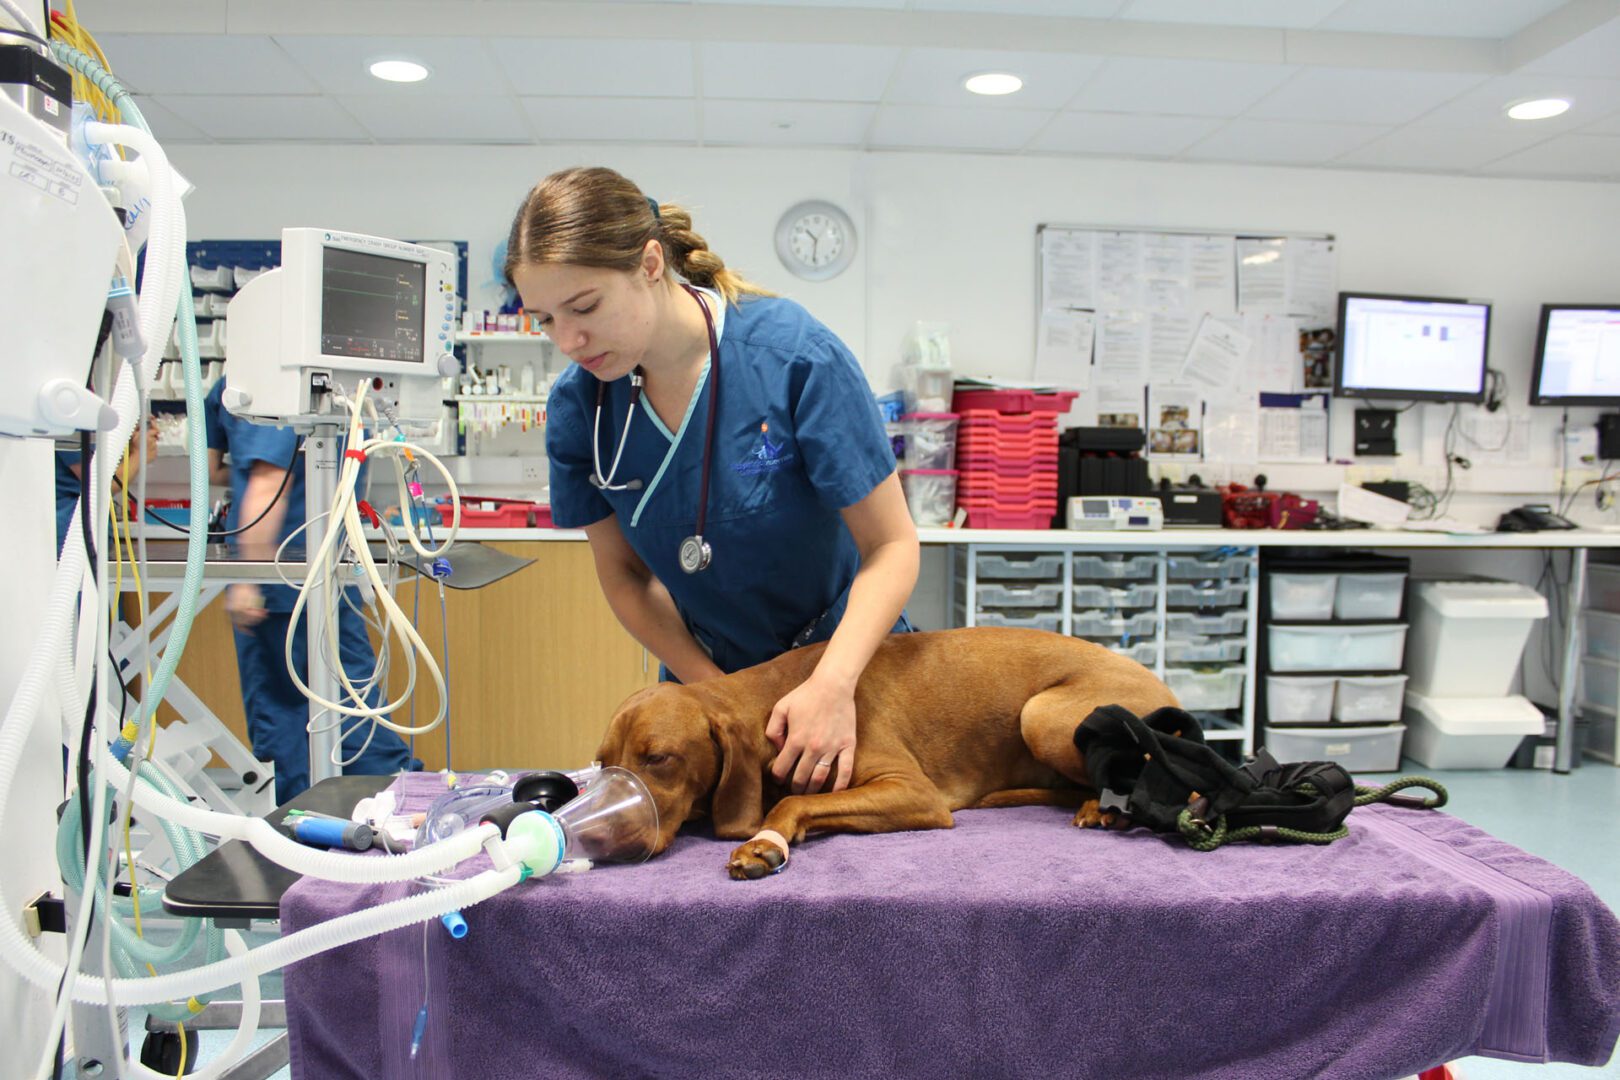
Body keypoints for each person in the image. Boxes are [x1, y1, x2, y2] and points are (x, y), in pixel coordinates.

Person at [507, 166, 920, 798]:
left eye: (585, 307)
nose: (568, 340)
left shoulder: (794, 358)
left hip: (850, 675)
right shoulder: (581, 407)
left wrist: (832, 684)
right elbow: (624, 576)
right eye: (543, 320)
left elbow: (892, 547)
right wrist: (718, 697)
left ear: (650, 263)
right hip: (710, 684)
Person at [208, 383, 419, 804]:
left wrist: (249, 576)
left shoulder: (249, 384)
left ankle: (317, 821)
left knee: (301, 720)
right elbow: (256, 478)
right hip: (307, 578)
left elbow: (244, 477)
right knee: (349, 709)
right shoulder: (301, 381)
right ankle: (382, 810)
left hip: (293, 583)